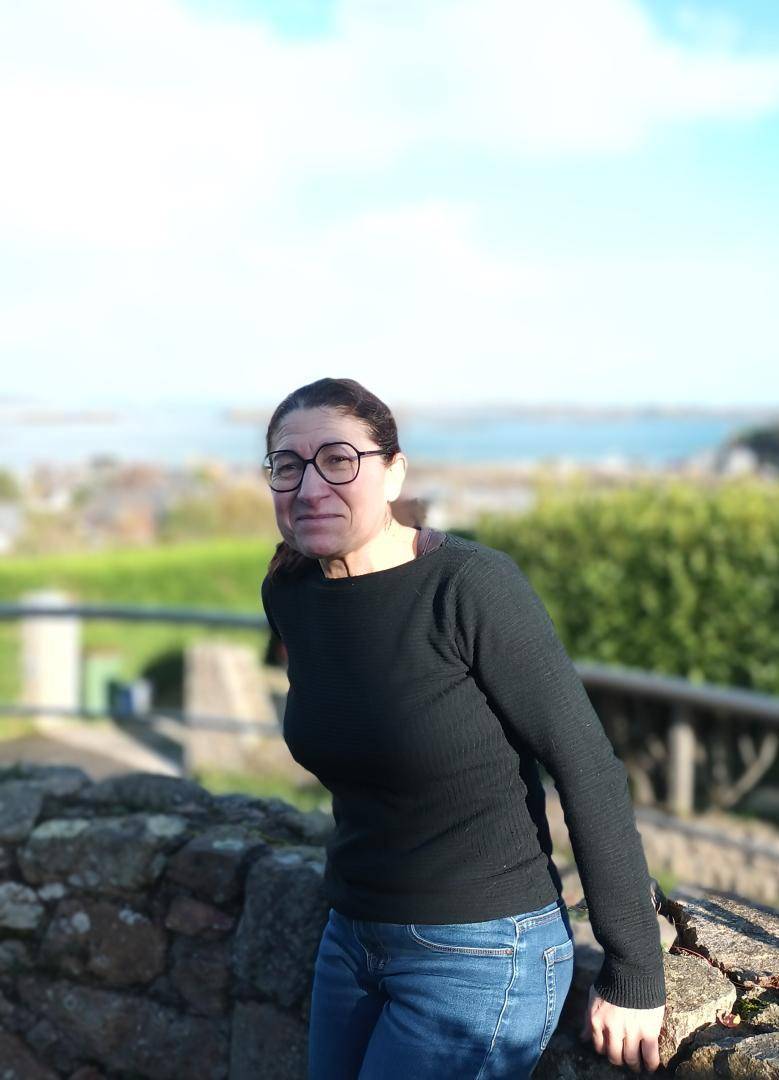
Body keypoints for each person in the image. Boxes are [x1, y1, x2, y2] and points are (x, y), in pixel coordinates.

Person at [260, 377, 666, 1079]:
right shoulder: (292, 592)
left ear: (394, 472)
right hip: (350, 936)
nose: (310, 487)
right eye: (287, 466)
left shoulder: (469, 586)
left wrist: (633, 969)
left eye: (338, 460)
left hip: (481, 950)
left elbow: (584, 762)